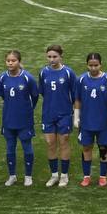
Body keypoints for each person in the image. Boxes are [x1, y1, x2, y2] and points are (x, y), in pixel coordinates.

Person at [0, 50, 39, 187]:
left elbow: (35, 97)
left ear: (19, 62)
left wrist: (27, 109)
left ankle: (28, 176)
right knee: (10, 147)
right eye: (8, 60)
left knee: (27, 146)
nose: (10, 63)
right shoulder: (2, 78)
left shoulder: (27, 78)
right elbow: (3, 96)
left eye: (13, 60)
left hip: (24, 119)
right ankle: (12, 176)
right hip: (8, 119)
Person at [74, 52, 107, 187]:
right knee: (86, 147)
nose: (93, 68)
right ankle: (86, 176)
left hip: (102, 122)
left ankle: (103, 176)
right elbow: (77, 100)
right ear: (87, 65)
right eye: (90, 65)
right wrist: (76, 117)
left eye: (96, 65)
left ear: (100, 64)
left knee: (103, 148)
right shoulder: (81, 79)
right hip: (86, 121)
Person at [39, 44, 76, 187]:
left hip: (64, 113)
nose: (52, 59)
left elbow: (75, 94)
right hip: (48, 113)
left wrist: (75, 114)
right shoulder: (43, 72)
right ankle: (54, 175)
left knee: (64, 142)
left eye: (54, 56)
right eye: (49, 57)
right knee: (50, 143)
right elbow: (43, 92)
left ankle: (64, 176)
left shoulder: (68, 73)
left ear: (61, 56)